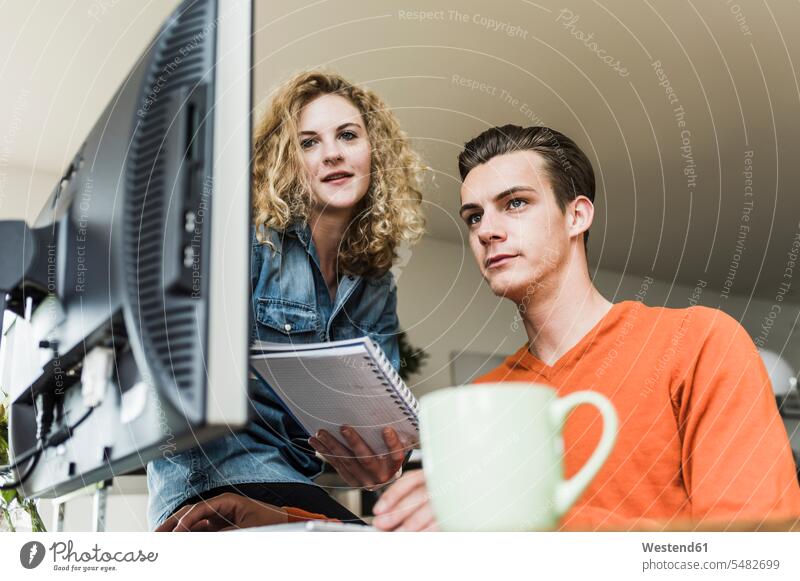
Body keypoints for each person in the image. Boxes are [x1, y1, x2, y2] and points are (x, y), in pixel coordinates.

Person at [370, 124, 800, 532]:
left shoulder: (700, 343)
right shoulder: (483, 399)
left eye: (515, 203)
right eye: (473, 217)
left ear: (576, 216)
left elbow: (756, 549)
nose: (487, 231)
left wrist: (533, 525)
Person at [150, 70, 426, 531]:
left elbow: (382, 433)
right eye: (309, 142)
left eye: (347, 135)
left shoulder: (375, 283)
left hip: (292, 485)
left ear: (373, 152)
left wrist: (383, 459)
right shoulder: (246, 242)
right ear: (286, 161)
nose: (332, 152)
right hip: (213, 484)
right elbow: (170, 364)